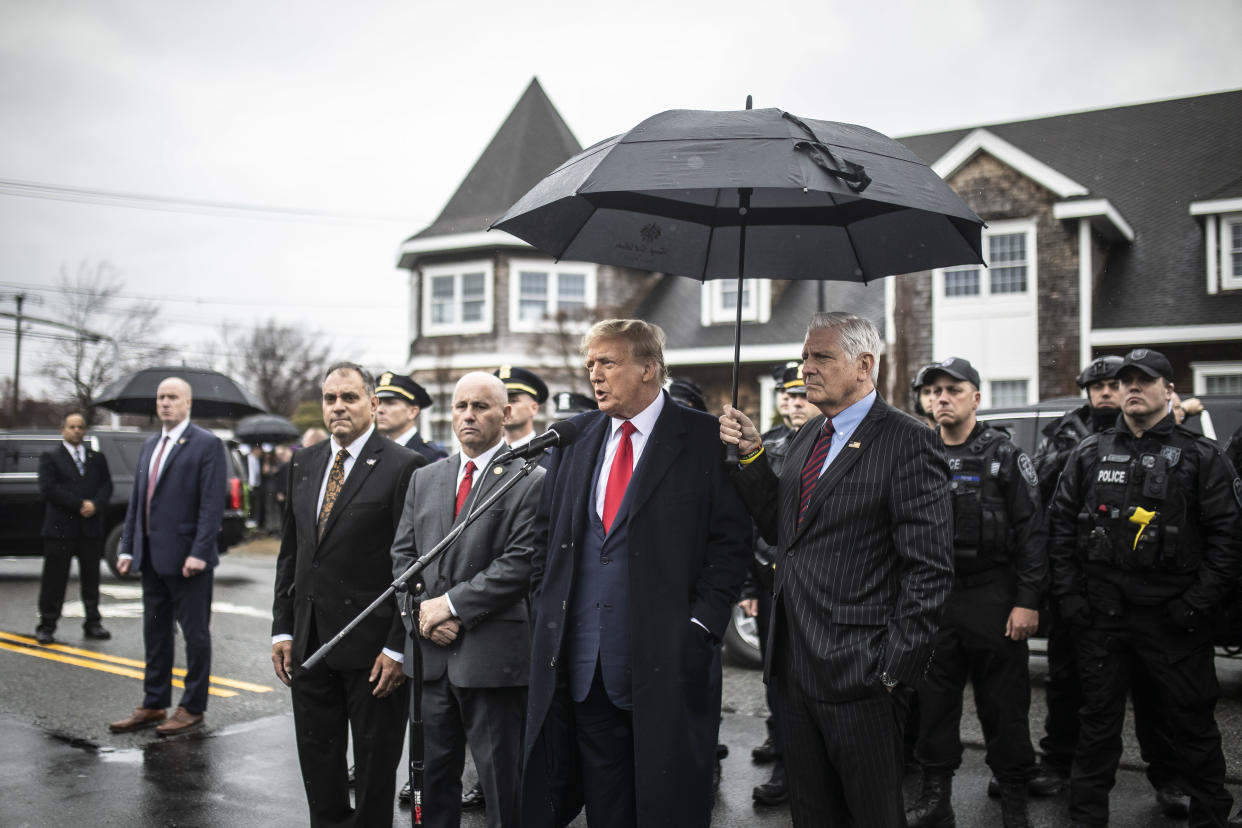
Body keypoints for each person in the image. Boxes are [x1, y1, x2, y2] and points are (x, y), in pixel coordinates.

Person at [720, 311, 954, 828]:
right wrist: (753, 455)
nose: (806, 368)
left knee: (871, 813)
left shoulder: (907, 440)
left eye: (820, 356)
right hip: (794, 665)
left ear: (865, 364)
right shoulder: (807, 437)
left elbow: (930, 568)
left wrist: (895, 669)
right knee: (813, 813)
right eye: (805, 356)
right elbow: (784, 532)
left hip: (862, 674)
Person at [522, 319, 752, 828]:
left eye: (608, 363)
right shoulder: (575, 438)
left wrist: (702, 625)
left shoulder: (703, 438)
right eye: (590, 365)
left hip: (669, 662)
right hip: (587, 665)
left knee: (668, 806)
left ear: (649, 368)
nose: (595, 376)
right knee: (607, 807)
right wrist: (548, 612)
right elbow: (546, 540)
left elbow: (731, 545)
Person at [1048, 348, 1242, 828]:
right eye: (1124, 380)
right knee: (1097, 730)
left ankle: (1211, 816)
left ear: (1168, 389)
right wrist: (1071, 599)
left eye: (1143, 380)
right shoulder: (1088, 453)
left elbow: (1229, 539)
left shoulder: (1201, 457)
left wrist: (1196, 605)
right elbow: (1059, 531)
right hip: (1103, 620)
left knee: (1192, 726)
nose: (1131, 387)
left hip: (1174, 620)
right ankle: (1086, 818)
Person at [271, 362, 425, 828]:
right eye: (330, 398)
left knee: (376, 769)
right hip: (310, 642)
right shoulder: (305, 461)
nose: (338, 406)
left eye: (349, 397)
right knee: (318, 761)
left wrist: (398, 647)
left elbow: (413, 568)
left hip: (373, 650)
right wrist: (282, 629)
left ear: (373, 404)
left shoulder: (405, 466)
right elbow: (292, 553)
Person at [390, 372, 545, 828]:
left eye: (481, 406)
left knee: (502, 786)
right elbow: (402, 557)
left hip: (491, 659)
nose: (469, 415)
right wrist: (422, 616)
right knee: (432, 782)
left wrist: (451, 606)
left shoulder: (529, 479)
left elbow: (520, 563)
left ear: (506, 414)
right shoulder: (425, 478)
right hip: (430, 658)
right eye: (461, 406)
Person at [904, 358, 1046, 828]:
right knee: (934, 705)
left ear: (976, 398)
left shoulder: (1003, 455)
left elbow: (1032, 535)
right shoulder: (917, 451)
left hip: (993, 596)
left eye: (953, 390)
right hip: (935, 598)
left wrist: (1027, 600)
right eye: (933, 391)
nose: (941, 398)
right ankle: (935, 796)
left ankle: (1013, 798)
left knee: (1004, 706)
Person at [108, 377, 226, 737]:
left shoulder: (207, 444)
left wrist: (200, 553)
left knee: (195, 636)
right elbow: (138, 503)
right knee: (155, 633)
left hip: (189, 562)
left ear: (188, 403)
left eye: (172, 397)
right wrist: (128, 547)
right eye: (161, 397)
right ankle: (154, 702)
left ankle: (192, 707)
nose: (165, 403)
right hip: (151, 560)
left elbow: (211, 505)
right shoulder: (149, 446)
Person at [739, 361, 811, 806]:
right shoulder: (767, 445)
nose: (795, 402)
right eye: (789, 394)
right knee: (777, 677)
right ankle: (786, 761)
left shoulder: (832, 442)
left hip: (816, 583)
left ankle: (805, 767)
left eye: (802, 394)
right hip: (772, 581)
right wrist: (749, 588)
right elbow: (751, 522)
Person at [35, 412, 114, 644]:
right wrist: (79, 504)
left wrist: (96, 504)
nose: (77, 431)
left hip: (89, 529)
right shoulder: (51, 458)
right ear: (63, 430)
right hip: (60, 530)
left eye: (80, 427)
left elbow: (106, 485)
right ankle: (47, 625)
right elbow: (48, 489)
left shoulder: (96, 458)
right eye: (72, 427)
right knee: (54, 580)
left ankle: (93, 622)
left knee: (91, 579)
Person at [376, 371, 447, 463]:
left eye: (390, 403)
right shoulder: (375, 454)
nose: (379, 410)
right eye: (378, 403)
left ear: (412, 412)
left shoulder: (431, 456)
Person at [494, 365, 548, 449]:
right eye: (502, 401)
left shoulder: (549, 455)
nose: (506, 407)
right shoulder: (488, 454)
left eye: (513, 401)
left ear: (534, 408)